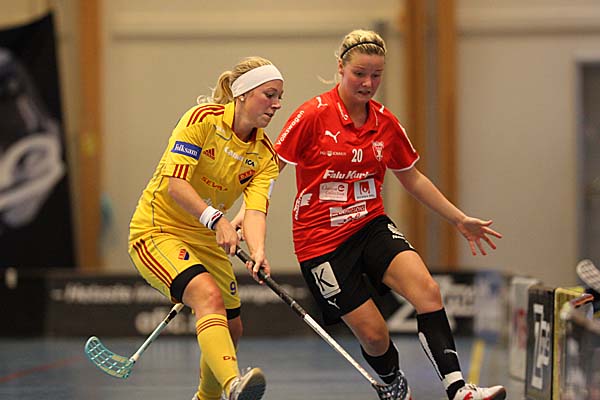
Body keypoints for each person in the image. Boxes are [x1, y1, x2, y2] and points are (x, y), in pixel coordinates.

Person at [273, 29, 506, 400]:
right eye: (359, 74)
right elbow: (269, 170)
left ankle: (459, 389)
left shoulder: (386, 123)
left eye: (376, 75)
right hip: (321, 243)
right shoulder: (311, 115)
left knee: (428, 291)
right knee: (375, 336)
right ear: (340, 68)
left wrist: (458, 219)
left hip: (370, 225)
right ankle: (394, 383)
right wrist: (244, 219)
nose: (368, 83)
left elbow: (412, 178)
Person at [128, 56, 283, 400]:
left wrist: (258, 251)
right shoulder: (201, 120)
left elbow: (255, 211)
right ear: (242, 94)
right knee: (207, 296)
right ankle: (232, 386)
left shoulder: (265, 157)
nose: (277, 104)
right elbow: (176, 185)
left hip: (206, 241)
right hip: (158, 230)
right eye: (269, 95)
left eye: (279, 97)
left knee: (232, 328)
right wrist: (216, 219)